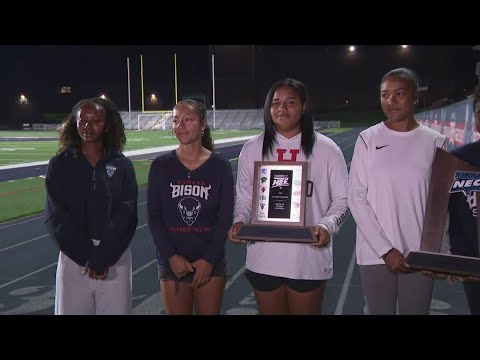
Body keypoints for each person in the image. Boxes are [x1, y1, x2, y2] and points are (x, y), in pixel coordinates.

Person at [228, 78, 350, 315]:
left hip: (308, 259)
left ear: (303, 106)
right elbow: (244, 199)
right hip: (264, 258)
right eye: (275, 103)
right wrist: (239, 222)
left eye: (290, 102)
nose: (281, 109)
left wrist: (327, 225)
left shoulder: (327, 149)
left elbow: (343, 201)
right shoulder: (252, 149)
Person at [348, 68, 447, 315]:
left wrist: (441, 252)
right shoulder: (367, 139)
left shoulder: (436, 141)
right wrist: (385, 250)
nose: (390, 101)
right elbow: (356, 197)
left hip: (421, 253)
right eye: (384, 95)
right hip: (375, 253)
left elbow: (442, 203)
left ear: (415, 96)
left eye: (399, 94)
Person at [45, 97, 138, 315]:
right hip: (74, 258)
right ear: (74, 124)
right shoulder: (59, 164)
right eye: (82, 120)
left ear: (107, 125)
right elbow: (56, 216)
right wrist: (88, 256)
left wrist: (103, 255)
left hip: (114, 257)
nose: (87, 126)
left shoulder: (122, 165)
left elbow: (127, 212)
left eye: (95, 120)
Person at [147, 99, 234, 315]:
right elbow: (154, 217)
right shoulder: (160, 166)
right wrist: (171, 256)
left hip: (210, 262)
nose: (180, 126)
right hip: (172, 262)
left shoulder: (220, 166)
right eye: (176, 120)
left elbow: (224, 217)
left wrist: (209, 260)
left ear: (203, 124)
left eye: (188, 120)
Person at [446, 85, 480, 314]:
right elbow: (454, 214)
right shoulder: (460, 159)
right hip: (473, 266)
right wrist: (454, 259)